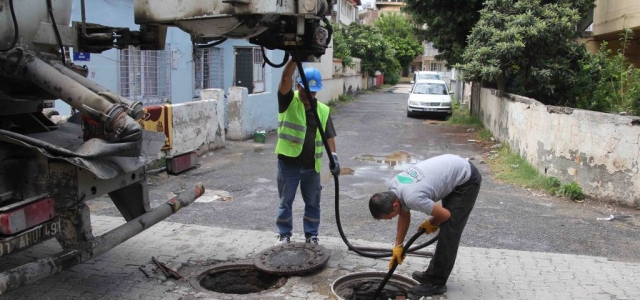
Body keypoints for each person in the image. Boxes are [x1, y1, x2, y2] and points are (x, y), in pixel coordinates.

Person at [368, 154, 482, 296]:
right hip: (453, 171)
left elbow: (445, 215)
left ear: (395, 205)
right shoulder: (394, 186)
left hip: (466, 181)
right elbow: (404, 213)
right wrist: (398, 246)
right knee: (445, 224)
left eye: (388, 217)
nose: (391, 219)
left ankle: (436, 282)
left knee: (449, 230)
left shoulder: (413, 197)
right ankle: (431, 273)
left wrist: (432, 222)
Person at [274, 58, 340, 245]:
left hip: (312, 166)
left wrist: (334, 158)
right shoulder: (288, 101)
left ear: (317, 90)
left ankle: (311, 235)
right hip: (288, 165)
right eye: (304, 90)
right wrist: (295, 58)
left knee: (313, 204)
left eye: (312, 91)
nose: (308, 95)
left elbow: (329, 136)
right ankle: (284, 234)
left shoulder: (323, 110)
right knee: (285, 202)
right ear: (298, 86)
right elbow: (285, 76)